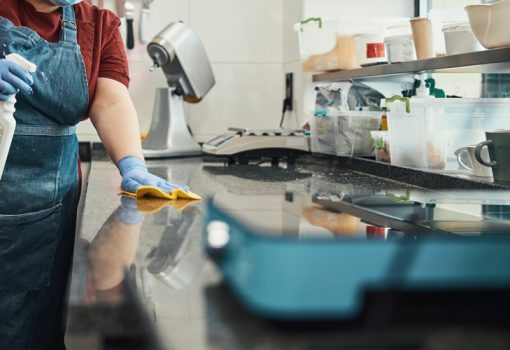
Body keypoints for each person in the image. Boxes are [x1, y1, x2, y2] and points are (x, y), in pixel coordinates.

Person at [0, 0, 187, 348]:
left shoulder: (98, 24)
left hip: (49, 210)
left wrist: (132, 164)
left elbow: (111, 100)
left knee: (34, 324)